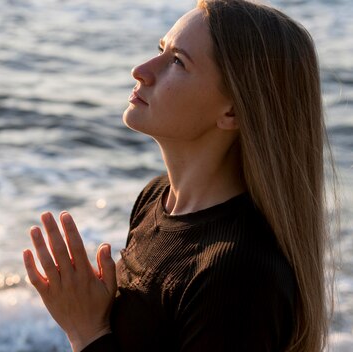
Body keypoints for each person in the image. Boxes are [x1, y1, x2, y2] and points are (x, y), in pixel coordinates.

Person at [22, 0, 334, 351]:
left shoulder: (238, 274)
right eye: (160, 50)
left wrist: (87, 332)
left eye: (177, 62)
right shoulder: (156, 198)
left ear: (232, 110)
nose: (141, 70)